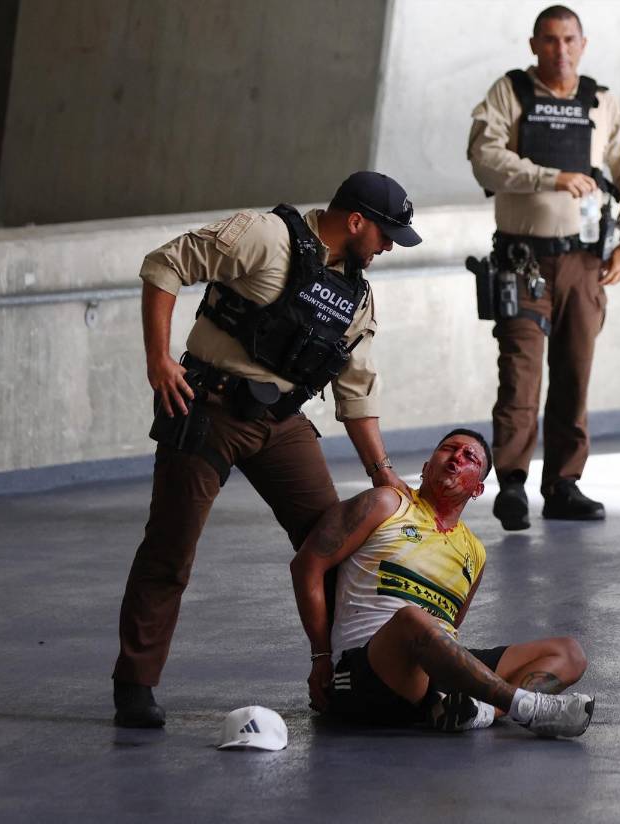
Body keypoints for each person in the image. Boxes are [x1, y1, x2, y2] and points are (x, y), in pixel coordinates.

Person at [112, 171, 421, 728]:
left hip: (280, 422)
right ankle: (135, 684)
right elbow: (164, 264)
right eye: (385, 236)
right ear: (355, 222)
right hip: (207, 407)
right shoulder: (265, 235)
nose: (387, 249)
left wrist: (383, 473)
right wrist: (158, 359)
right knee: (170, 551)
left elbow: (356, 390)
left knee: (334, 542)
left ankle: (353, 677)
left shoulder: (356, 295)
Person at [469, 4, 620, 529]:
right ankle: (511, 484)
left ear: (583, 44)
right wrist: (550, 177)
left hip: (583, 260)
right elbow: (485, 158)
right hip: (522, 259)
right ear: (534, 45)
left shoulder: (602, 103)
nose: (561, 50)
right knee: (520, 373)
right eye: (550, 40)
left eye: (570, 40)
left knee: (574, 372)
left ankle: (564, 485)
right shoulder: (509, 93)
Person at [290, 429, 594, 737]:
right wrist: (321, 655)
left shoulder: (475, 552)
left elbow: (451, 625)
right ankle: (527, 708)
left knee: (570, 653)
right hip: (367, 670)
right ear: (426, 467)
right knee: (413, 618)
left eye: (469, 457)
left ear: (477, 489)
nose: (456, 458)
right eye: (449, 449)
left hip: (430, 676)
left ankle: (482, 712)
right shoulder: (386, 503)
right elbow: (307, 565)